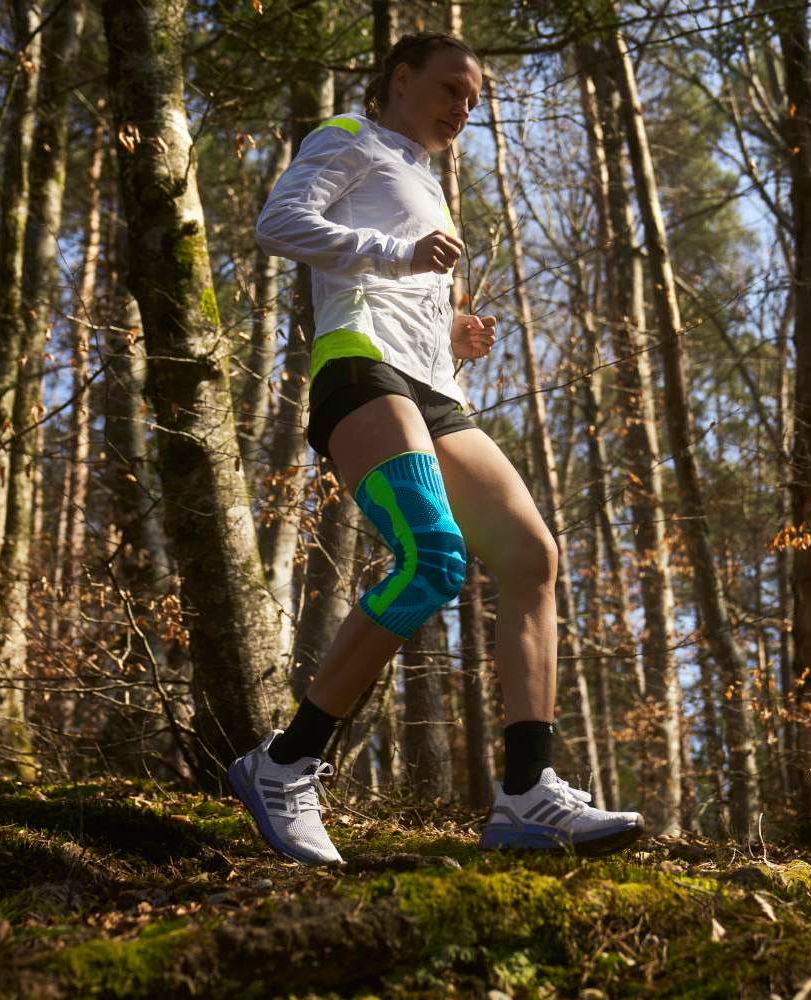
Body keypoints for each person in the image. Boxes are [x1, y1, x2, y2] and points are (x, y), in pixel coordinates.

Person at [227, 31, 646, 865]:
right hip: (359, 368)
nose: (464, 108)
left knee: (532, 556)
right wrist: (398, 254)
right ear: (400, 78)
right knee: (432, 561)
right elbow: (279, 223)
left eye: (474, 100)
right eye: (452, 89)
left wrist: (452, 328)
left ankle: (527, 792)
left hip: (434, 388)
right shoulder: (349, 139)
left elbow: (403, 285)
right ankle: (284, 764)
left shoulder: (428, 182)